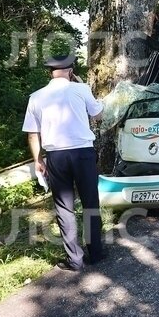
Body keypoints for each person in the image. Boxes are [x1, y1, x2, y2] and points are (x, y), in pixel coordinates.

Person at [22, 55, 105, 271]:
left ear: (50, 72)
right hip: (83, 153)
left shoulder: (36, 97)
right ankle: (96, 253)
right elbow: (98, 116)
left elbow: (33, 135)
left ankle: (74, 260)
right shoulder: (81, 89)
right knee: (90, 203)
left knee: (64, 208)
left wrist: (38, 160)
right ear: (70, 71)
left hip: (56, 156)